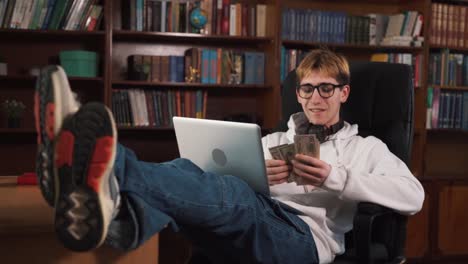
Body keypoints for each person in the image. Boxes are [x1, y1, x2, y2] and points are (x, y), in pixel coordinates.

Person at [34, 49, 424, 264]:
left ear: (344, 93)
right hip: (251, 213)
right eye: (307, 90)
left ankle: (99, 167)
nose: (314, 99)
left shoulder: (366, 148)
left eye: (325, 89)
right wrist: (260, 176)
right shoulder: (273, 140)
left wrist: (334, 178)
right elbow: (202, 184)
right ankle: (119, 217)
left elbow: (413, 196)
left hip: (304, 240)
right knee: (195, 175)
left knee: (234, 196)